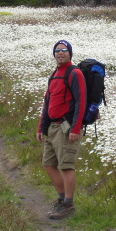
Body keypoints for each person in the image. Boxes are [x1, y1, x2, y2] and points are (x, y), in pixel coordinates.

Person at [36, 40, 86, 220]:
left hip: (66, 129)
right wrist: (41, 127)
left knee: (66, 166)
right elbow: (47, 102)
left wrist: (75, 128)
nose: (60, 53)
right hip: (52, 127)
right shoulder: (54, 74)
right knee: (49, 165)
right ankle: (61, 199)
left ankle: (68, 205)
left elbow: (81, 102)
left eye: (64, 50)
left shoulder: (75, 73)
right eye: (57, 51)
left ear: (70, 54)